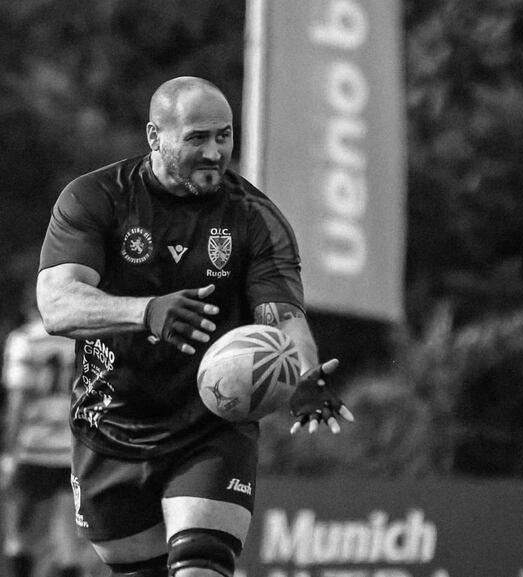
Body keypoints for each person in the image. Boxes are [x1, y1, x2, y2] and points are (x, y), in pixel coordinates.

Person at [36, 76, 354, 577]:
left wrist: (301, 371)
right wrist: (146, 312)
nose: (214, 152)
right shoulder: (96, 198)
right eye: (197, 138)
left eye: (224, 136)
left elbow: (284, 317)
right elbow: (56, 305)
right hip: (111, 421)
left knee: (200, 565)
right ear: (154, 136)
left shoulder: (255, 218)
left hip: (212, 424)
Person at [0, 291, 92, 577]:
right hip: (70, 448)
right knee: (67, 535)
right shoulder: (78, 338)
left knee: (18, 530)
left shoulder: (24, 340)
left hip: (32, 446)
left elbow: (17, 401)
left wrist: (8, 452)